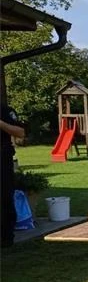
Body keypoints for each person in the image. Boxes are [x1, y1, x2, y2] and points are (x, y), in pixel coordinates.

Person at [1, 103, 25, 248]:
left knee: (4, 197)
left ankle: (6, 236)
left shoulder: (5, 110)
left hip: (2, 160)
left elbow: (20, 132)